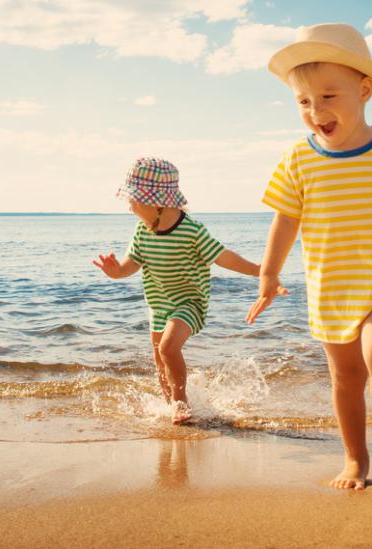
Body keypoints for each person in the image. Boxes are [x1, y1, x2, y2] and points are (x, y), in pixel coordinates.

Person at [246, 23, 372, 490]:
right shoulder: (298, 158)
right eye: (304, 102)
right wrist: (269, 272)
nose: (316, 111)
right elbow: (286, 219)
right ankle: (355, 459)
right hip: (330, 288)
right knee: (346, 378)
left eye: (328, 97)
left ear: (364, 89)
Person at [94, 157, 261, 424]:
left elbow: (221, 256)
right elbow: (131, 263)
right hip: (159, 304)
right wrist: (116, 272)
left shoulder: (191, 230)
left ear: (156, 201)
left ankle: (181, 403)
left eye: (134, 199)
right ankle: (169, 405)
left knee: (169, 349)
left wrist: (257, 270)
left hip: (189, 302)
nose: (129, 206)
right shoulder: (142, 230)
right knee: (160, 359)